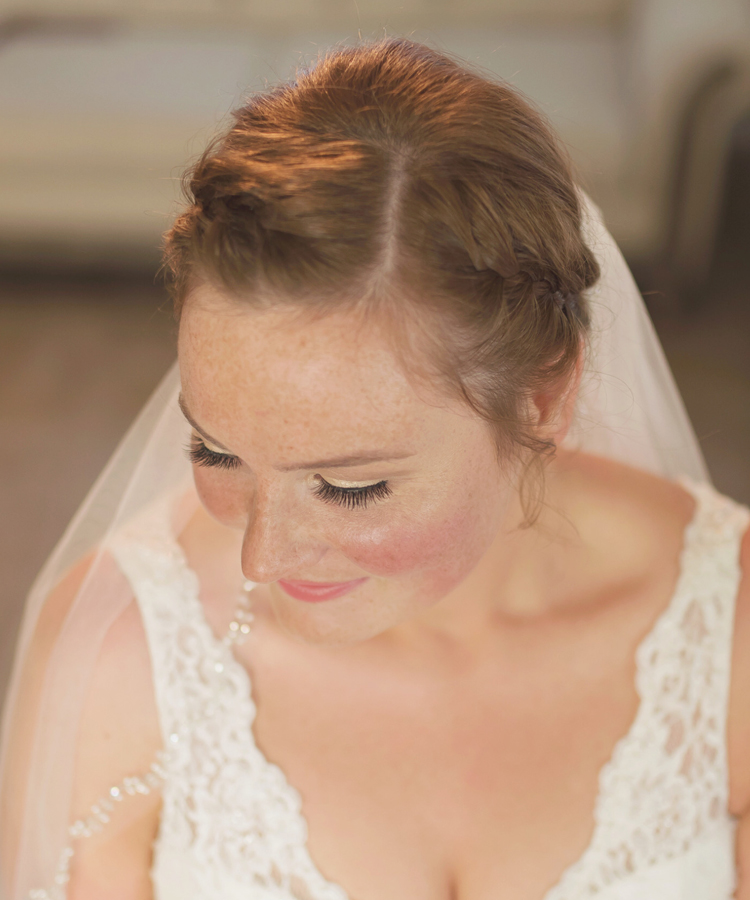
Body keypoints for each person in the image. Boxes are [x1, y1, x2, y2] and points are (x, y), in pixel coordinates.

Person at [1, 38, 749, 900]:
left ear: (542, 398)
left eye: (349, 487)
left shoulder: (732, 639)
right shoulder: (117, 652)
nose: (262, 556)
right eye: (217, 451)